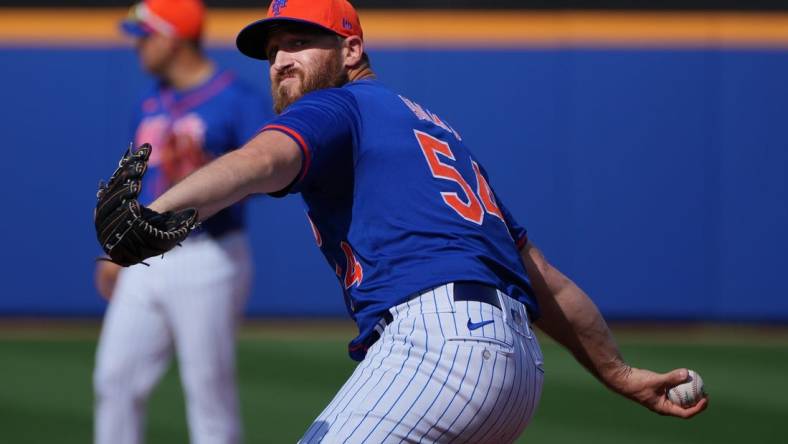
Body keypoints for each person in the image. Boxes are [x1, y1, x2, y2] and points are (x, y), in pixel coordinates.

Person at [123, 0, 708, 442]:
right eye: (273, 51)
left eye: (300, 42)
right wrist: (619, 372)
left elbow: (261, 160)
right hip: (515, 368)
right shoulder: (432, 132)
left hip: (438, 346)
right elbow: (541, 276)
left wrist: (160, 211)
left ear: (351, 50)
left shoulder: (337, 105)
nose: (281, 61)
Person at [92, 1, 271, 443]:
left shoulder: (236, 100)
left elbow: (270, 173)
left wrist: (210, 170)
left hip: (209, 256)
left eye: (145, 35)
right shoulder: (150, 101)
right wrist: (118, 251)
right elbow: (139, 187)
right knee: (114, 380)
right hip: (145, 259)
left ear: (171, 38)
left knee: (208, 394)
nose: (138, 47)